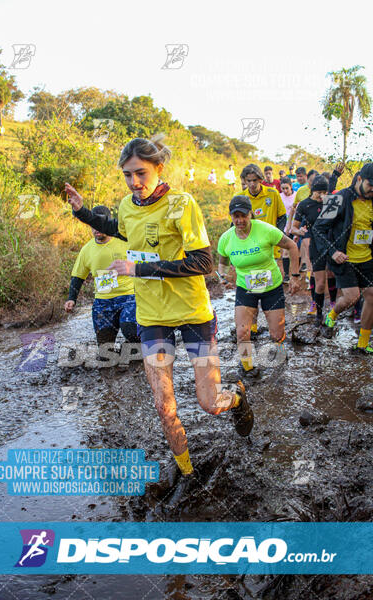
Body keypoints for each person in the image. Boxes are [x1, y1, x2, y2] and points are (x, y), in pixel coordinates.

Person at [65, 136, 253, 499]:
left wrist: (141, 268)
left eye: (141, 173)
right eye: (127, 175)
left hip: (193, 313)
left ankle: (238, 396)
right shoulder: (127, 204)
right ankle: (187, 472)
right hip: (152, 317)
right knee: (164, 407)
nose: (135, 182)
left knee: (209, 403)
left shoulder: (182, 204)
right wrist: (82, 212)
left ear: (158, 169)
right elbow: (122, 228)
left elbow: (203, 262)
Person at [218, 195, 300, 379]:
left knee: (276, 334)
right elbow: (222, 262)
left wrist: (294, 276)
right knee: (242, 331)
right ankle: (248, 368)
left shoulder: (265, 230)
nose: (239, 220)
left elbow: (292, 246)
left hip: (271, 287)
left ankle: (280, 354)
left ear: (250, 214)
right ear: (231, 216)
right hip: (245, 289)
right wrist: (222, 275)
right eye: (235, 216)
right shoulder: (226, 239)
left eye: (243, 216)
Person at [314, 163, 373, 353]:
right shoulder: (337, 198)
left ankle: (362, 344)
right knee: (352, 297)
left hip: (367, 257)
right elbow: (318, 229)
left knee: (372, 297)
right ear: (359, 179)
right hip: (343, 257)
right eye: (370, 185)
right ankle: (332, 314)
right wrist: (333, 252)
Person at [64, 205, 139, 355]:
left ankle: (140, 354)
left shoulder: (126, 242)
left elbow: (145, 264)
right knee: (105, 350)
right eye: (93, 225)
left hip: (129, 296)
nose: (96, 228)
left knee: (130, 331)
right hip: (103, 301)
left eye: (99, 224)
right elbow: (78, 276)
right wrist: (71, 299)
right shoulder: (87, 250)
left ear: (108, 223)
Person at [240, 164, 287, 338]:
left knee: (271, 287)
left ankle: (276, 327)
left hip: (271, 248)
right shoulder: (241, 197)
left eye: (255, 180)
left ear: (261, 180)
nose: (252, 184)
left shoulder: (273, 194)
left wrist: (278, 236)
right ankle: (253, 328)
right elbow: (234, 224)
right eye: (248, 181)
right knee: (253, 288)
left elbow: (282, 217)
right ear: (245, 181)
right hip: (249, 250)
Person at [291, 176, 335, 325]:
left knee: (331, 274)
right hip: (314, 244)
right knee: (319, 281)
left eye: (324, 192)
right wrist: (300, 232)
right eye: (319, 193)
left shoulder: (330, 202)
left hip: (331, 243)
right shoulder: (304, 205)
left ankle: (334, 305)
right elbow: (293, 228)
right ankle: (319, 313)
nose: (322, 196)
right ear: (312, 191)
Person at [280, 177, 297, 283]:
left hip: (295, 226)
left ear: (291, 186)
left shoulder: (296, 196)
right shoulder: (279, 197)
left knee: (296, 251)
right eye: (283, 188)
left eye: (286, 188)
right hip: (284, 227)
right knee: (285, 252)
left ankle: (296, 273)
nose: (285, 191)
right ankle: (286, 275)